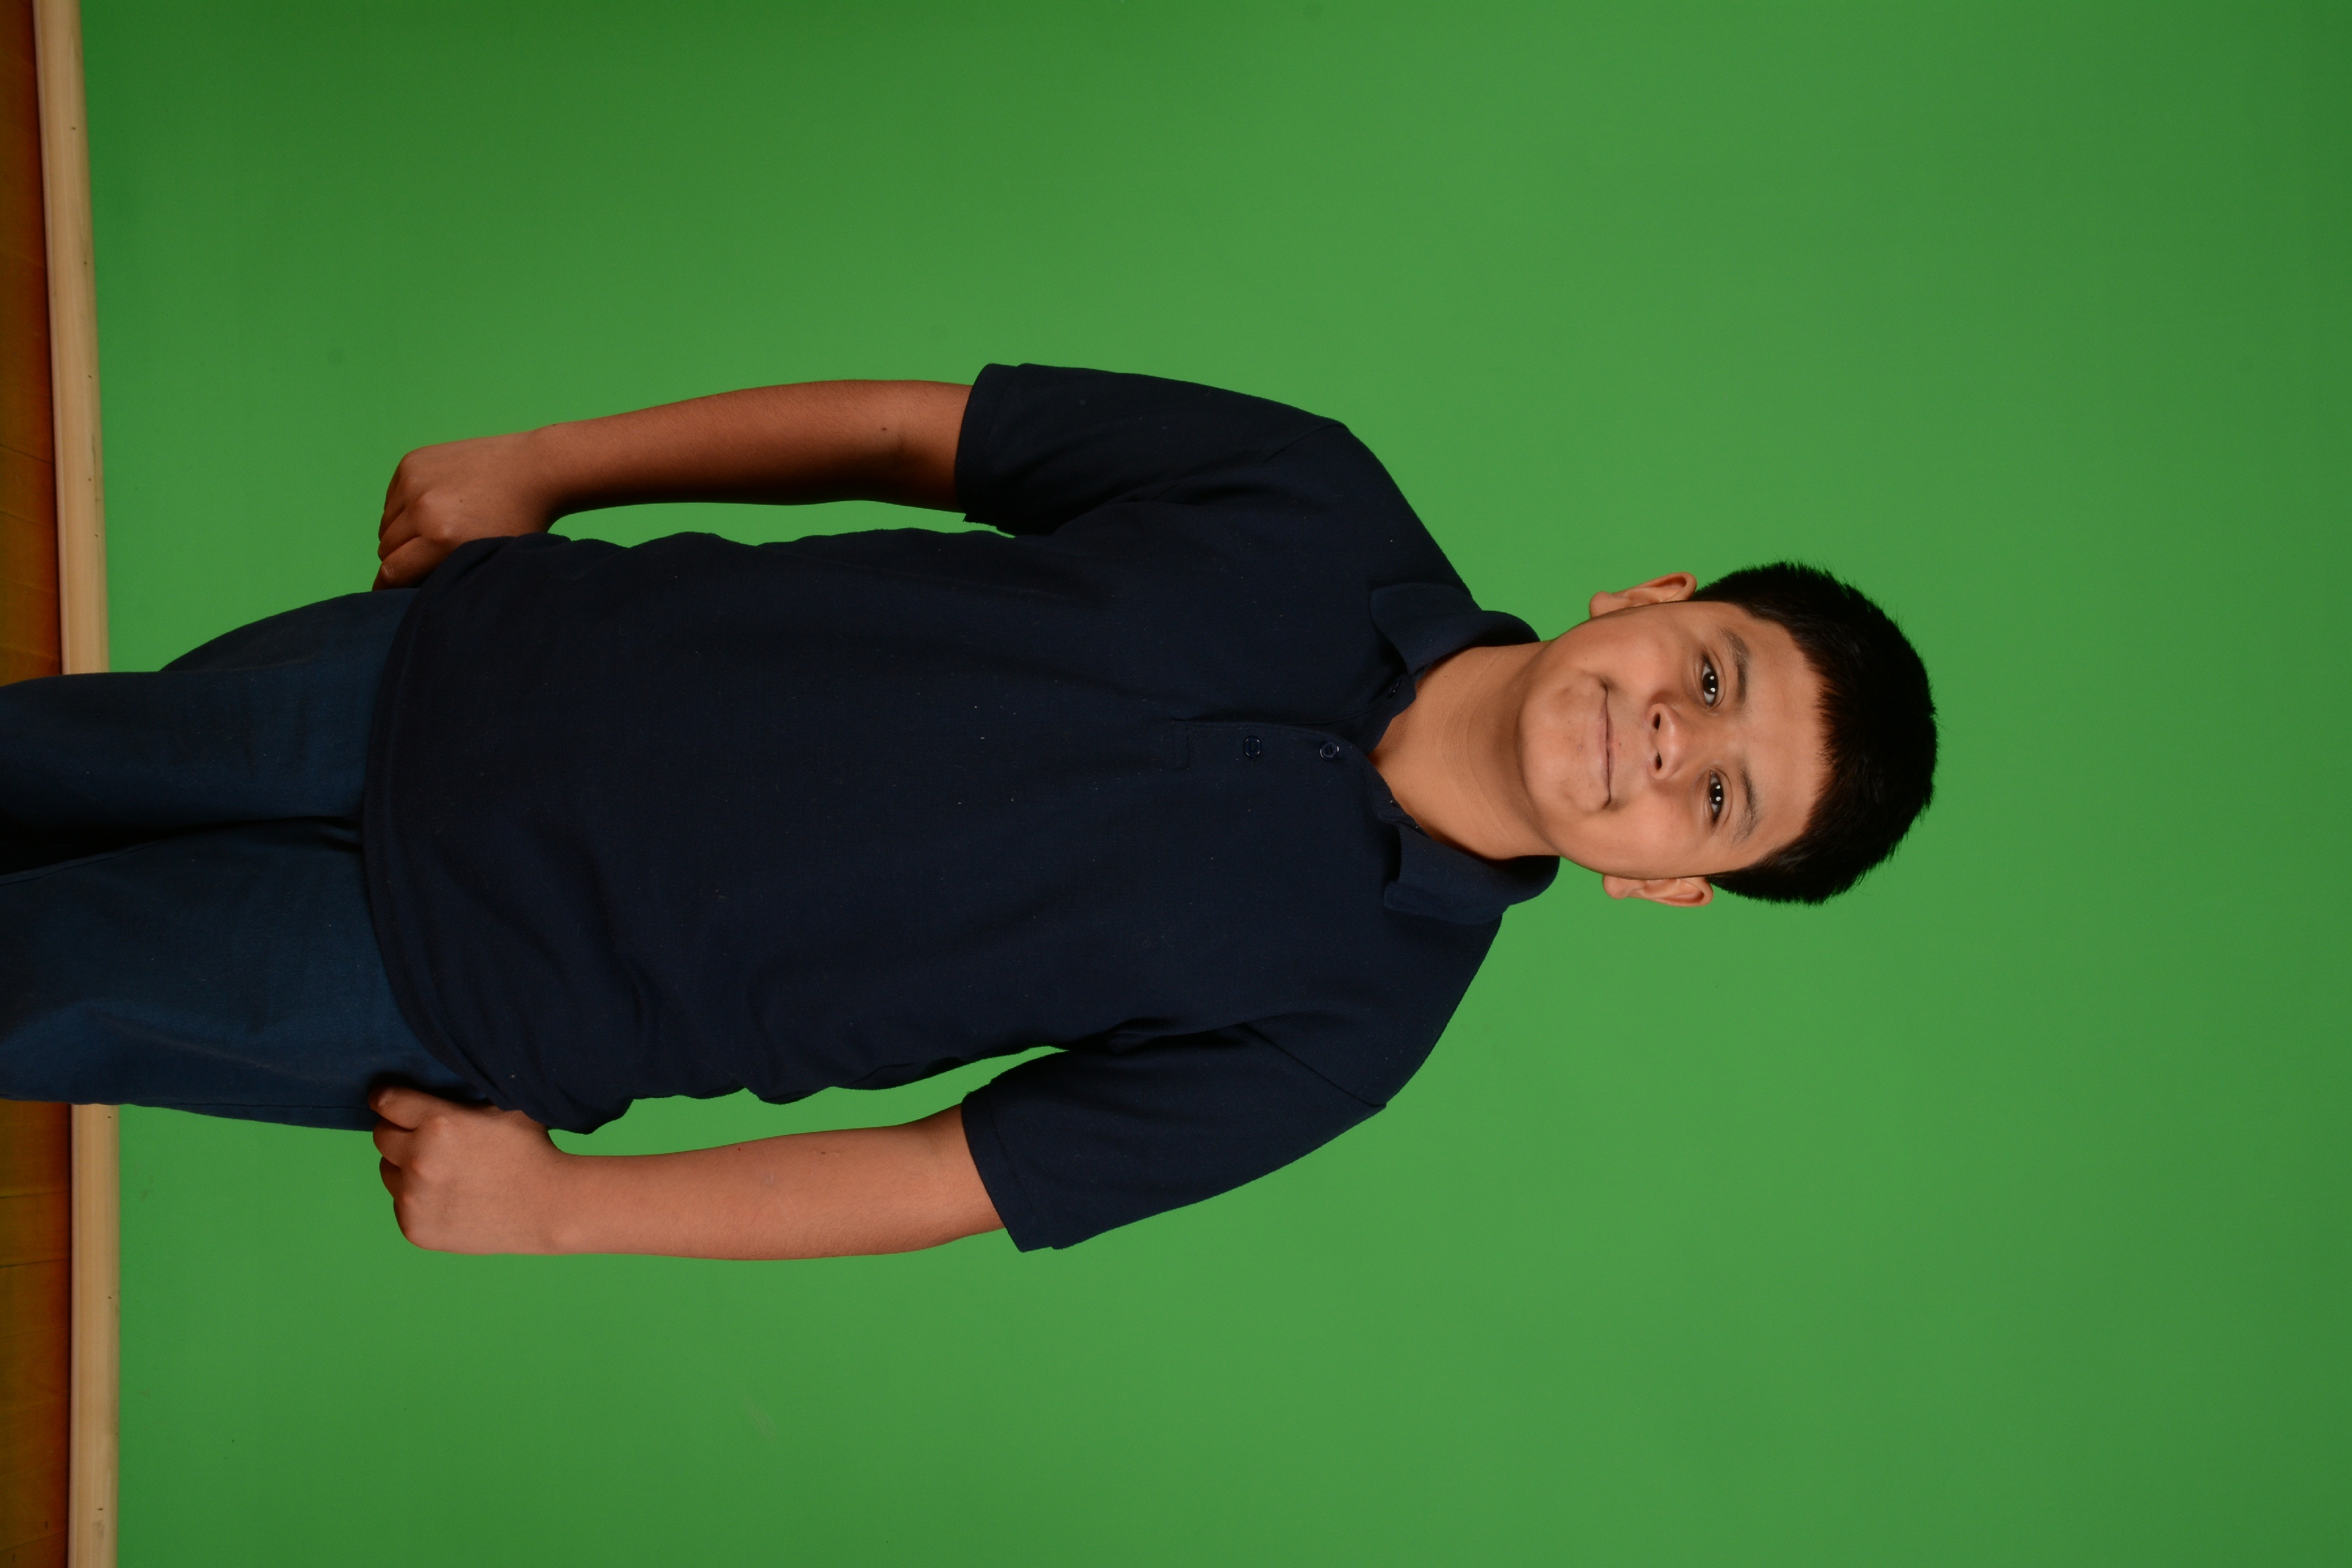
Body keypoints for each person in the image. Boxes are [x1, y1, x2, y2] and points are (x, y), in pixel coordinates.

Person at [0, 365, 1937, 1259]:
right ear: (1651, 596)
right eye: (1709, 674)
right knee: (41, 750)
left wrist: (565, 1213)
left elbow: (948, 1175)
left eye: (1715, 798)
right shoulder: (1312, 496)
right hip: (473, 669)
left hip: (480, 981)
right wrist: (549, 462)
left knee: (34, 976)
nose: (1661, 741)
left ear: (1670, 887)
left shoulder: (1347, 1031)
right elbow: (918, 437)